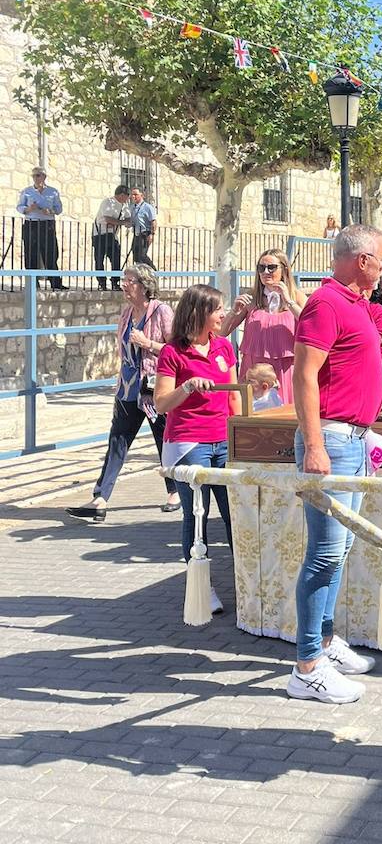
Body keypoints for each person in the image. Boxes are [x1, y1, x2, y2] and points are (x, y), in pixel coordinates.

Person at [290, 225, 382, 704]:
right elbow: (305, 377)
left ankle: (326, 644)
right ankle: (307, 664)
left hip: (351, 439)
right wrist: (314, 444)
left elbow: (352, 370)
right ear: (364, 260)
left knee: (340, 550)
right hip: (332, 439)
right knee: (325, 554)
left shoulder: (350, 305)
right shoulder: (326, 304)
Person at [65, 264, 179, 523]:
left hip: (153, 391)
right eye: (123, 280)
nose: (124, 285)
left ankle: (174, 491)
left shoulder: (162, 311)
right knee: (117, 441)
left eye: (130, 280)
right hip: (128, 389)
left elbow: (176, 350)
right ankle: (101, 498)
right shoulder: (127, 314)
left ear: (144, 285)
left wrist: (148, 344)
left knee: (163, 439)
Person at [155, 284, 241, 614]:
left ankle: (247, 579)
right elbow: (162, 403)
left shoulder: (224, 348)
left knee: (235, 514)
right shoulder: (172, 352)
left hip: (224, 442)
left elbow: (233, 397)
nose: (223, 314)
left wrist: (242, 436)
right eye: (218, 309)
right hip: (190, 443)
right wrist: (188, 387)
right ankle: (201, 585)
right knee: (197, 515)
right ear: (200, 312)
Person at [222, 250, 305, 404]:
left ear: (284, 269)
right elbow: (222, 332)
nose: (265, 272)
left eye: (271, 267)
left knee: (284, 417)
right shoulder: (252, 298)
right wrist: (234, 311)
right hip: (254, 372)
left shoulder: (297, 297)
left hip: (286, 370)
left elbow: (311, 324)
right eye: (261, 268)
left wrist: (288, 301)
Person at [17, 167, 64, 288]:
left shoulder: (53, 192)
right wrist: (28, 209)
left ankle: (55, 283)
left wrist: (50, 211)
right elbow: (19, 207)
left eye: (38, 175)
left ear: (44, 177)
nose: (36, 178)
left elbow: (59, 209)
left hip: (47, 224)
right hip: (31, 223)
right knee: (30, 253)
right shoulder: (26, 191)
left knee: (51, 253)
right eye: (34, 176)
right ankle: (32, 284)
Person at [91, 185, 131, 290]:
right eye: (127, 196)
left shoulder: (124, 205)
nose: (128, 199)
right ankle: (102, 283)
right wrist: (120, 222)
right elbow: (108, 218)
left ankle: (115, 282)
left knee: (115, 259)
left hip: (112, 235)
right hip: (100, 234)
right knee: (99, 260)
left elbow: (128, 219)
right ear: (122, 195)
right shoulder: (108, 202)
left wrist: (117, 222)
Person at [130, 187, 157, 265]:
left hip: (145, 233)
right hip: (136, 234)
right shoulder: (132, 207)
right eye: (132, 195)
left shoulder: (148, 207)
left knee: (142, 255)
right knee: (136, 256)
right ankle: (141, 273)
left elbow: (153, 221)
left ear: (142, 195)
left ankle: (154, 272)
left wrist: (152, 234)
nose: (133, 196)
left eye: (136, 194)